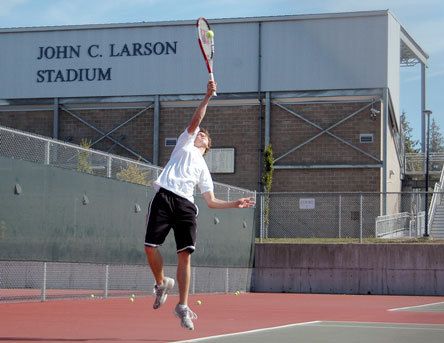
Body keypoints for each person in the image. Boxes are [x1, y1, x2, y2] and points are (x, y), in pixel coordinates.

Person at [144, 80, 254, 330]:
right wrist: (207, 97)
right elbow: (194, 121)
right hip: (164, 197)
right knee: (150, 247)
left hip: (186, 206)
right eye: (199, 132)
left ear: (208, 146)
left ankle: (182, 306)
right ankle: (162, 283)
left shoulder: (203, 168)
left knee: (185, 255)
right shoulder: (184, 144)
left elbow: (211, 201)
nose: (200, 133)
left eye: (204, 135)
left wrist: (234, 204)